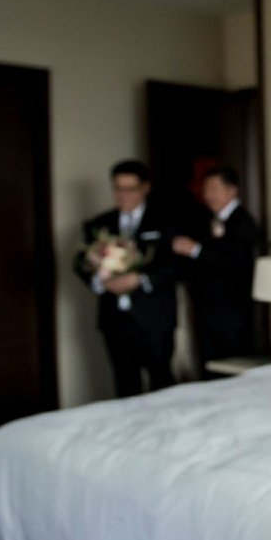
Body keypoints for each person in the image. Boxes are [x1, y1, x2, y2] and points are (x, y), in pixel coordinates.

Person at [74, 159, 179, 397]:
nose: (122, 195)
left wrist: (140, 279)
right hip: (115, 320)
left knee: (161, 381)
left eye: (129, 189)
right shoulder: (99, 224)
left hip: (155, 318)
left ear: (144, 188)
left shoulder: (165, 221)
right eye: (118, 188)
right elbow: (80, 263)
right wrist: (101, 282)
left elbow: (175, 265)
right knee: (124, 383)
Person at [172, 165, 261, 375]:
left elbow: (235, 263)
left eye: (214, 189)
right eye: (206, 189)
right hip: (207, 309)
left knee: (230, 366)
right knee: (208, 366)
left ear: (232, 190)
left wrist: (197, 250)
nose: (208, 195)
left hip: (232, 310)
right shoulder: (205, 219)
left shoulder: (243, 221)